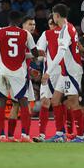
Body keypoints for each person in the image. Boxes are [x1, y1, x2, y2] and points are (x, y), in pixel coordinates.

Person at [0, 10, 39, 142]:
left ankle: (3, 135)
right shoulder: (25, 34)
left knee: (1, 103)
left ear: (8, 19)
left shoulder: (0, 31)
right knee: (23, 103)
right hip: (18, 73)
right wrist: (24, 54)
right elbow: (35, 53)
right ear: (20, 21)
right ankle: (25, 135)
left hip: (3, 72)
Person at [41, 4, 84, 143]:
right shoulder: (69, 27)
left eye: (53, 15)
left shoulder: (66, 30)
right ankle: (60, 134)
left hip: (72, 72)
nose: (53, 17)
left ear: (57, 15)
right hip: (66, 72)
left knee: (73, 103)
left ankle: (80, 136)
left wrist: (48, 71)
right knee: (55, 100)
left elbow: (61, 52)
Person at [6, 16, 38, 142]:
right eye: (30, 24)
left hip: (20, 74)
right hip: (20, 76)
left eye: (34, 24)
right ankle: (25, 135)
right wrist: (38, 54)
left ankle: (10, 136)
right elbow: (19, 56)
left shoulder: (20, 37)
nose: (32, 26)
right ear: (23, 25)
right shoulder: (23, 37)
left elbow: (18, 58)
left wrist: (30, 70)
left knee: (15, 105)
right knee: (26, 106)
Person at [32, 14, 59, 143]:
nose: (52, 26)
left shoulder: (67, 33)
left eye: (54, 23)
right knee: (45, 102)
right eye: (50, 24)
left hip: (64, 74)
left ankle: (65, 133)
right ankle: (42, 135)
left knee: (65, 103)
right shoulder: (46, 34)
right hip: (49, 74)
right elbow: (40, 54)